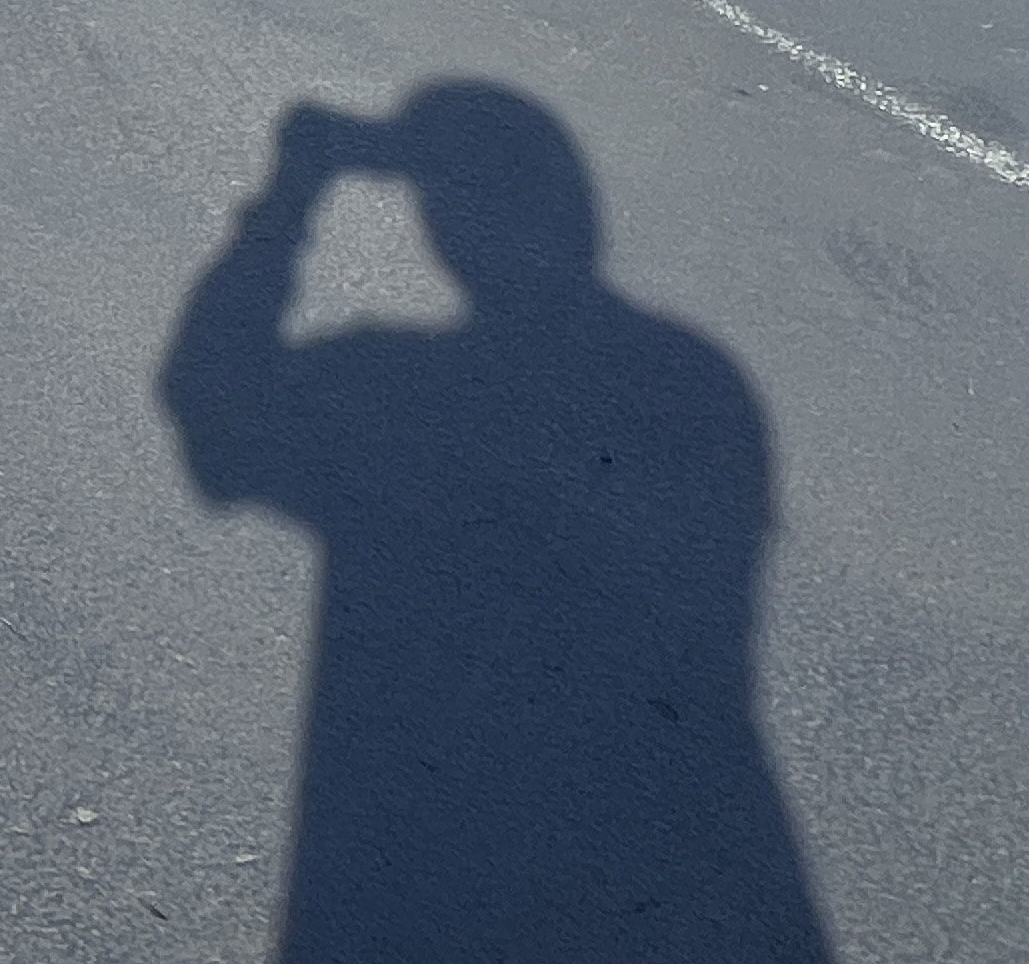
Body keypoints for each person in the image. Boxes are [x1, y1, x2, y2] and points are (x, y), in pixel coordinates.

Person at [160, 85, 829, 961]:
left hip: (423, 853)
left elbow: (211, 404)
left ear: (442, 226)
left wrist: (292, 193)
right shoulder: (699, 381)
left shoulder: (392, 389)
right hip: (685, 853)